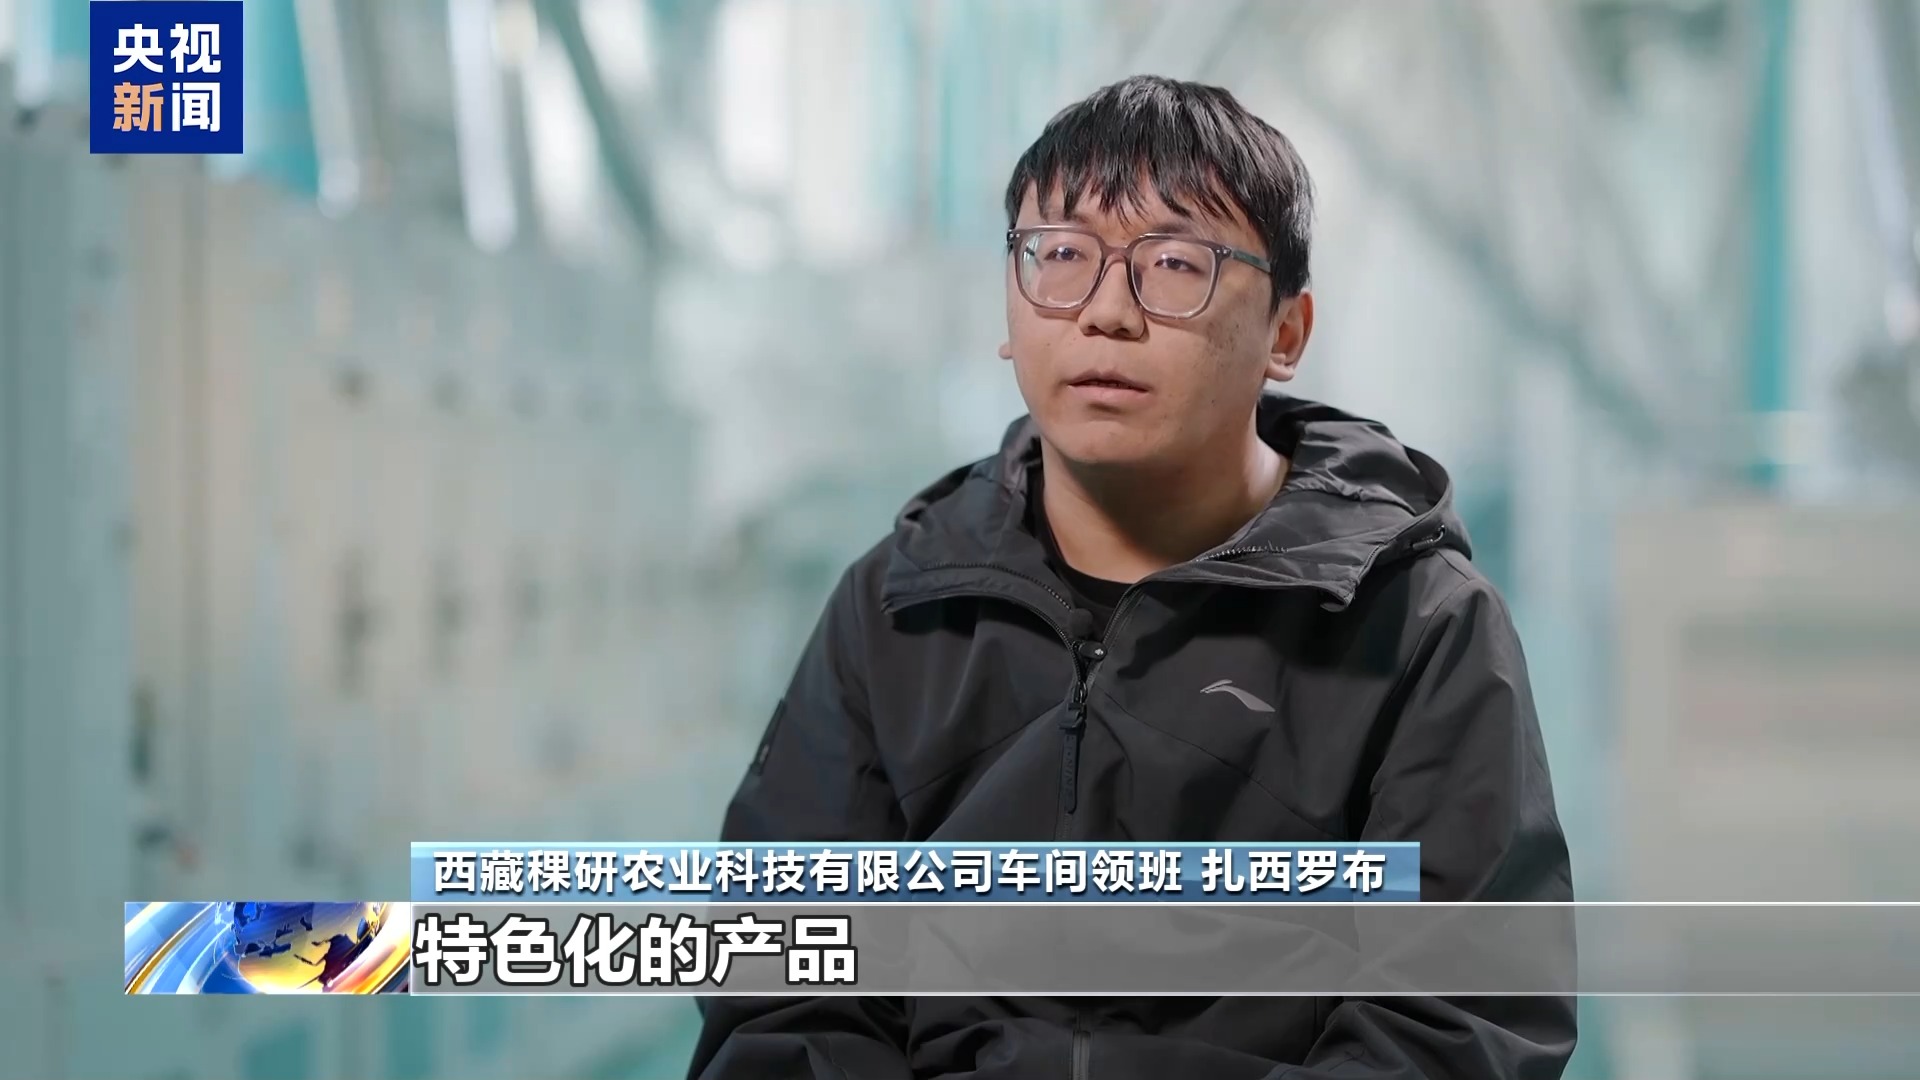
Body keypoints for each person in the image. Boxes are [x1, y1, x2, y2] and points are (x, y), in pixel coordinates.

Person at [689, 74, 1575, 1080]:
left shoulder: (1418, 625)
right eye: (1062, 257)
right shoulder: (900, 607)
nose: (1106, 312)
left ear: (1286, 333)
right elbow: (783, 990)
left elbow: (1457, 1025)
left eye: (1175, 265)